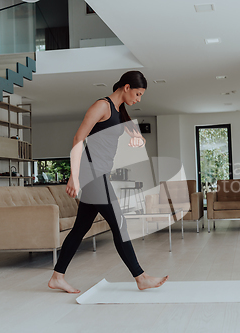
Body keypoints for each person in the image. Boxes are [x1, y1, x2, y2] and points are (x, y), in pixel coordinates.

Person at [48, 71, 168, 293]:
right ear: (126, 87)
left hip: (100, 172)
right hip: (91, 173)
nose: (139, 99)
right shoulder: (101, 106)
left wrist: (136, 137)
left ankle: (57, 276)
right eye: (138, 93)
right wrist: (74, 175)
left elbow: (137, 137)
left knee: (80, 228)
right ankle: (141, 277)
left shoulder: (120, 110)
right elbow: (78, 138)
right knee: (119, 225)